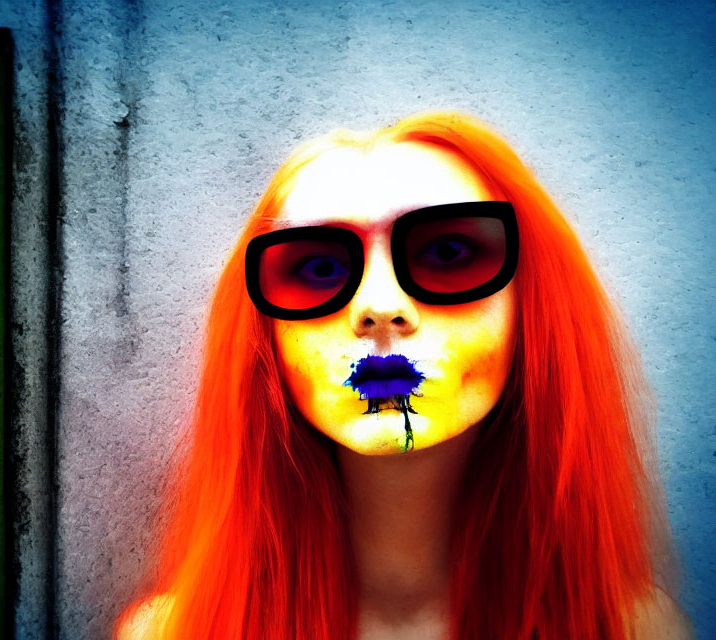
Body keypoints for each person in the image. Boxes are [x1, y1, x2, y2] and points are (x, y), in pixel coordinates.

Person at [114, 112, 694, 639]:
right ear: (264, 338)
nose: (380, 305)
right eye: (318, 267)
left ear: (530, 309)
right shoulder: (174, 632)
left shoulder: (634, 630)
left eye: (447, 253)